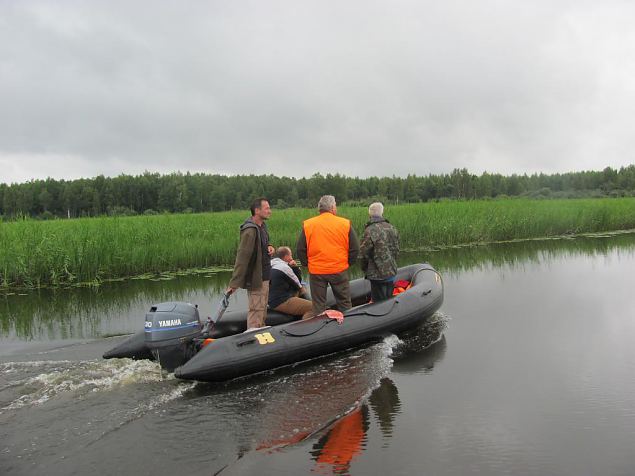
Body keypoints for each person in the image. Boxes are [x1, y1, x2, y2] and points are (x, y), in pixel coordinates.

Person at [296, 195, 360, 315]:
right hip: (339, 270)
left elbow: (300, 249)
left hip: (317, 272)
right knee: (345, 304)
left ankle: (320, 329)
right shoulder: (344, 224)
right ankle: (349, 327)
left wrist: (307, 264)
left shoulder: (309, 225)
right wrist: (348, 263)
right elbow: (355, 248)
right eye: (335, 205)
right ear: (332, 208)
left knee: (318, 306)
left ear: (320, 209)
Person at [227, 197, 274, 330]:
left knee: (263, 309)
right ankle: (253, 335)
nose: (270, 211)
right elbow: (242, 258)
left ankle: (262, 333)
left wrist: (270, 247)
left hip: (265, 276)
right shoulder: (250, 230)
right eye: (267, 208)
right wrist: (234, 283)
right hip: (256, 278)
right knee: (256, 310)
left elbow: (264, 244)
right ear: (257, 210)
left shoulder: (262, 226)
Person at [359, 202, 400, 302]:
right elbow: (396, 250)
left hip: (376, 275)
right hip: (391, 271)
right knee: (388, 298)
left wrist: (364, 269)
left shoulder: (369, 230)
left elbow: (363, 253)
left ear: (370, 214)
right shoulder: (392, 228)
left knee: (378, 302)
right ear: (382, 213)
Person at [268, 246, 313, 319]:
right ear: (286, 256)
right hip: (281, 301)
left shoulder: (271, 264)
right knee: (314, 308)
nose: (292, 258)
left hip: (271, 300)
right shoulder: (284, 268)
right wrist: (295, 267)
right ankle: (306, 327)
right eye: (291, 255)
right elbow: (298, 283)